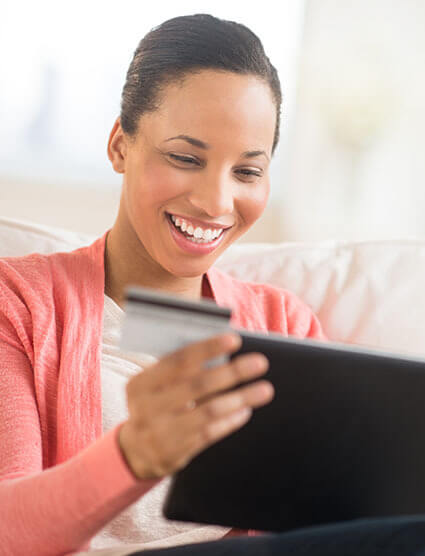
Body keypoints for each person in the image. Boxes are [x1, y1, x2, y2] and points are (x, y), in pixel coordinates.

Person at [1, 13, 425, 556]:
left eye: (247, 172)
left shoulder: (283, 324)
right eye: (185, 158)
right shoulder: (19, 304)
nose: (216, 203)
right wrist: (129, 457)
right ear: (120, 146)